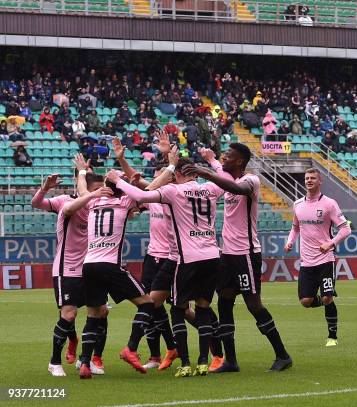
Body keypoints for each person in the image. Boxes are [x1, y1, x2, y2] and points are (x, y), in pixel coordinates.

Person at [107, 155, 225, 378]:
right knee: (185, 304)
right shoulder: (210, 187)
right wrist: (212, 164)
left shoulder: (172, 192)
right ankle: (194, 357)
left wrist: (117, 180)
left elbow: (141, 194)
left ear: (176, 174)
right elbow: (226, 181)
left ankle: (196, 359)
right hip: (208, 255)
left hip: (185, 257)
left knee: (179, 308)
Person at [191, 144, 293, 372]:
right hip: (227, 254)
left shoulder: (251, 181)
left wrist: (208, 171)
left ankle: (282, 355)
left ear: (239, 162)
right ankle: (231, 361)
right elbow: (223, 174)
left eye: (229, 156)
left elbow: (233, 187)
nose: (224, 158)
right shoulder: (228, 177)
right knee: (225, 302)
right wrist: (211, 161)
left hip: (246, 253)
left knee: (253, 304)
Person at [63, 172, 155, 379]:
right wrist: (170, 168)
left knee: (93, 315)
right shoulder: (123, 202)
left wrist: (83, 172)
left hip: (89, 265)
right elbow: (147, 192)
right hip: (110, 265)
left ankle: (85, 363)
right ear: (120, 189)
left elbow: (82, 190)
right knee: (147, 303)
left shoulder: (92, 202)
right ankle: (130, 349)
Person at [31, 168, 109, 377]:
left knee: (101, 311)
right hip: (67, 269)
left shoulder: (98, 207)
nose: (100, 193)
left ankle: (88, 360)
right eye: (96, 190)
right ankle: (54, 362)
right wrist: (45, 188)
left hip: (90, 268)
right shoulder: (66, 202)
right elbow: (38, 204)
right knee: (69, 314)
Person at [284, 168, 351, 346]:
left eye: (313, 178)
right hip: (306, 261)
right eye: (307, 178)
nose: (309, 180)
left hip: (325, 259)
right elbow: (295, 227)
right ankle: (328, 297)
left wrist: (331, 243)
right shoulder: (298, 204)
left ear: (320, 181)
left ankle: (332, 336)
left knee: (327, 298)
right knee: (306, 301)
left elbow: (346, 229)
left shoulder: (329, 204)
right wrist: (290, 241)